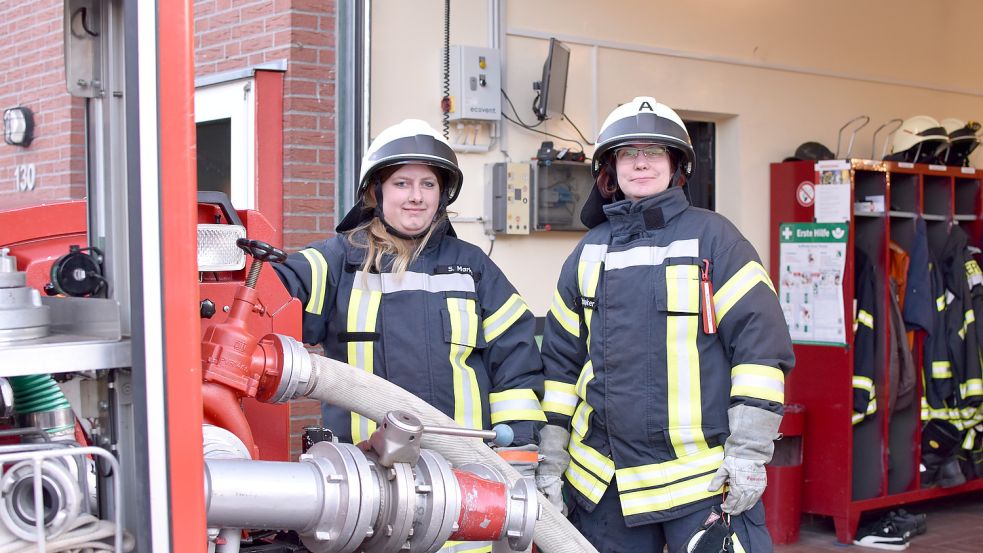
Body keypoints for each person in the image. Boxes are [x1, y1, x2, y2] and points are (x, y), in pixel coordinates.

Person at [274, 120, 548, 551]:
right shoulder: (339, 262)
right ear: (375, 192)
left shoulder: (472, 268)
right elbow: (275, 296)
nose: (415, 195)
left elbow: (517, 365)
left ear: (443, 195)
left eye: (427, 183)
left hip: (465, 488)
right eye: (401, 182)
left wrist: (520, 461)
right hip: (369, 489)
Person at [539, 97, 794, 552]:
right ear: (609, 169)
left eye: (654, 152)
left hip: (702, 484)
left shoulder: (718, 240)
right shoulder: (586, 253)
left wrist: (750, 454)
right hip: (603, 486)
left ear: (677, 166)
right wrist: (552, 457)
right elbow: (560, 366)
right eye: (627, 153)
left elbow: (761, 351)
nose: (641, 163)